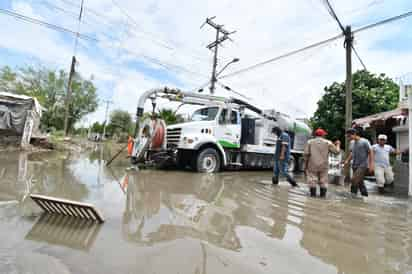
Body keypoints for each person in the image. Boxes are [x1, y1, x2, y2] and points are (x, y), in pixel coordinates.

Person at [304, 128, 340, 197]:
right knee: (323, 181)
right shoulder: (328, 142)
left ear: (315, 135)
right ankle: (322, 198)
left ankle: (313, 198)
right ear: (323, 135)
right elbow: (337, 152)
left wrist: (305, 167)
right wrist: (338, 144)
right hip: (324, 165)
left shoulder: (310, 142)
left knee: (312, 181)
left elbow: (306, 155)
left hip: (312, 164)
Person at [343, 128, 374, 197]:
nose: (348, 138)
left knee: (354, 179)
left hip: (363, 165)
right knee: (360, 182)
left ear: (354, 134)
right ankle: (364, 196)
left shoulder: (364, 141)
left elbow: (371, 152)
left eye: (349, 136)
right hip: (354, 165)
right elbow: (352, 153)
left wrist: (371, 164)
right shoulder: (352, 143)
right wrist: (347, 160)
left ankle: (352, 195)